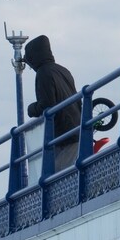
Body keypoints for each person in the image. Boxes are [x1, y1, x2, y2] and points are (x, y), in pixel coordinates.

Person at [25, 35, 81, 171]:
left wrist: (31, 109)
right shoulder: (63, 70)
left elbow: (47, 105)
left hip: (63, 133)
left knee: (58, 177)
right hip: (77, 127)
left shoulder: (43, 73)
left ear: (33, 57)